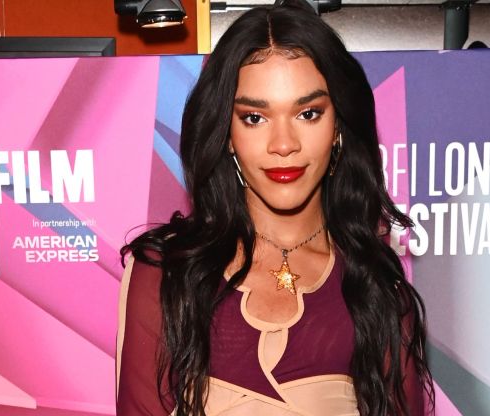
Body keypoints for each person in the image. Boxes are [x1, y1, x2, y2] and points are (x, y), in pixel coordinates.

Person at [117, 1, 434, 414]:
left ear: (338, 126)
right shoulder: (166, 273)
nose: (284, 145)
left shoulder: (375, 286)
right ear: (226, 133)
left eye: (307, 113)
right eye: (254, 118)